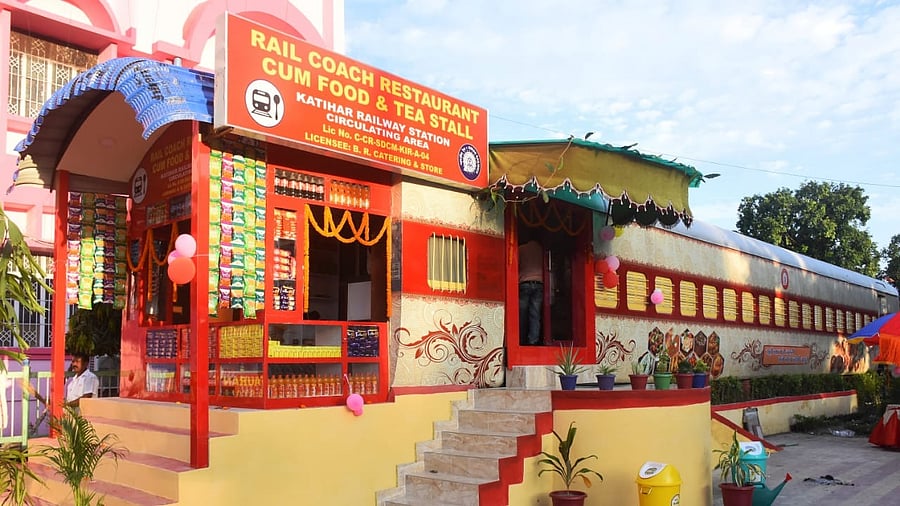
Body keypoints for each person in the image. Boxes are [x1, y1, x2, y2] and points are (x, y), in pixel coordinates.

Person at [518, 236, 544, 345]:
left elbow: (516, 265)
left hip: (524, 282)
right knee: (535, 314)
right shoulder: (542, 250)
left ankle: (521, 339)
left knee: (522, 313)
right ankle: (533, 341)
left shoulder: (520, 249)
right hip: (539, 283)